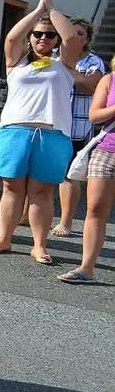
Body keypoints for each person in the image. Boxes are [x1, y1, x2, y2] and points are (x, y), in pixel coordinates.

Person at [0, 0, 81, 265]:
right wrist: (37, 11)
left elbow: (72, 39)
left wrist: (52, 11)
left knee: (42, 192)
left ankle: (39, 245)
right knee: (11, 188)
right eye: (38, 34)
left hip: (51, 134)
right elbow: (12, 38)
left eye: (49, 35)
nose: (43, 38)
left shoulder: (64, 64)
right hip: (16, 130)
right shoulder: (17, 62)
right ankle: (4, 238)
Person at [59, 61, 115, 284]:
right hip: (107, 150)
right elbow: (95, 115)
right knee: (95, 209)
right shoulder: (109, 79)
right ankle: (86, 267)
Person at [51, 18, 106, 238]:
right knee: (40, 172)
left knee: (69, 175)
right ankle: (26, 215)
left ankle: (66, 221)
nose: (74, 37)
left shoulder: (93, 61)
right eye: (71, 33)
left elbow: (90, 86)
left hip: (77, 126)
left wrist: (65, 69)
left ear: (87, 39)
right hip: (51, 122)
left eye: (80, 34)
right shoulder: (53, 55)